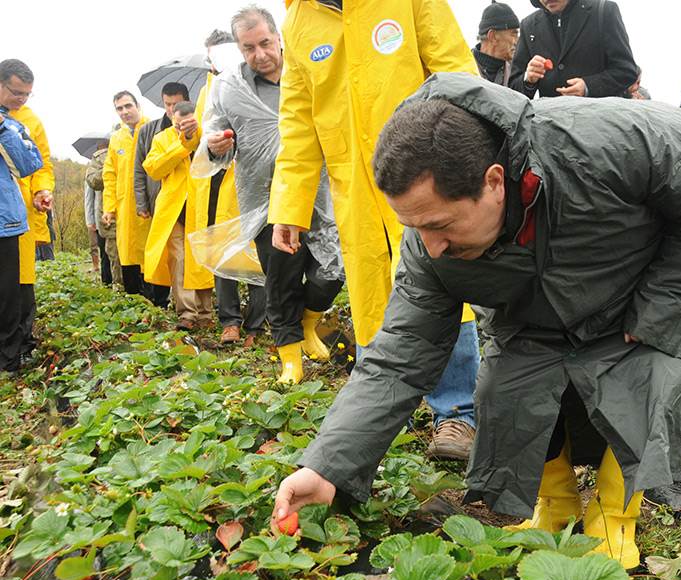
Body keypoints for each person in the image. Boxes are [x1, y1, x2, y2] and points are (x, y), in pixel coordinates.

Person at [271, 74, 681, 569]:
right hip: (527, 316)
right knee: (510, 390)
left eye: (439, 225)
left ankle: (614, 517)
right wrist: (326, 466)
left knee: (643, 378)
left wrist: (661, 306)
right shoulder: (429, 244)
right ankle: (556, 505)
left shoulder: (611, 142)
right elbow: (398, 357)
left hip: (629, 296)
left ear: (494, 182)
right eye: (414, 227)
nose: (430, 246)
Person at [269, 0, 482, 459]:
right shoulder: (299, 21)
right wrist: (289, 204)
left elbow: (456, 71)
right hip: (356, 191)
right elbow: (298, 122)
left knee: (445, 286)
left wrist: (471, 158)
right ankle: (382, 414)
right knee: (371, 300)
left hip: (428, 176)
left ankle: (458, 414)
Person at [195, 6, 344, 383]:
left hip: (324, 194)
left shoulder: (307, 69)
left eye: (264, 43)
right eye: (249, 48)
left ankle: (310, 324)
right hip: (266, 202)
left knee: (332, 272)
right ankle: (290, 356)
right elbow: (214, 141)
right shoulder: (229, 88)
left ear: (278, 37)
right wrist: (215, 145)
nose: (259, 54)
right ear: (240, 49)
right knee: (282, 280)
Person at [195, 28, 265, 346]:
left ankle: (256, 326)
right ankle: (230, 322)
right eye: (212, 54)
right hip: (218, 185)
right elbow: (203, 140)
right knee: (224, 253)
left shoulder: (257, 83)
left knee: (259, 254)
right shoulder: (205, 92)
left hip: (258, 181)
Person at [142, 102, 214, 330]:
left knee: (201, 257)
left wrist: (196, 135)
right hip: (173, 207)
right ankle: (187, 313)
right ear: (172, 117)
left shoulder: (206, 131)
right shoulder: (162, 139)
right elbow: (153, 168)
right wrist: (182, 145)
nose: (184, 126)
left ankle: (206, 312)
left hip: (201, 204)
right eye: (179, 123)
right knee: (179, 258)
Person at [0, 60, 54, 363]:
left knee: (19, 283)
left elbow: (41, 164)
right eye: (16, 92)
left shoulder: (29, 121)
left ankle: (21, 343)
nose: (21, 100)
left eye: (26, 95)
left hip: (17, 209)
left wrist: (41, 190)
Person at [509, 0, 638, 100]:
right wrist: (528, 79)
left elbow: (626, 71)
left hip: (599, 126)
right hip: (551, 128)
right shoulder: (528, 25)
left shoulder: (604, 11)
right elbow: (513, 90)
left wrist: (588, 87)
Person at [135, 83, 190, 309]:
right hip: (164, 199)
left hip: (193, 199)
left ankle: (201, 307)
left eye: (175, 104)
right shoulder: (151, 131)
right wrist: (142, 201)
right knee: (172, 255)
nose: (171, 109)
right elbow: (141, 168)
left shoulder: (200, 126)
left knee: (192, 254)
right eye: (167, 104)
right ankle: (170, 303)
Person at [0, 107, 43, 373]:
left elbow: (29, 165)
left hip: (5, 220)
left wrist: (2, 127)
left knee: (7, 295)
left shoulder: (13, 125)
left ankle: (9, 361)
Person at [103, 92, 150, 297]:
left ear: (137, 106)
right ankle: (134, 300)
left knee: (151, 253)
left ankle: (157, 301)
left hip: (149, 204)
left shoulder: (153, 129)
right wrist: (109, 207)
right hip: (124, 207)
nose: (124, 112)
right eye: (119, 108)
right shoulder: (116, 138)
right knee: (128, 252)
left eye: (128, 106)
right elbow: (109, 175)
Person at [85, 140, 122, 287]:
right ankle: (117, 287)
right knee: (112, 254)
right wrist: (110, 168)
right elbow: (92, 184)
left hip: (137, 212)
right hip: (108, 213)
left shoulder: (139, 145)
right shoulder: (100, 158)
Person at [473, 2, 519, 86]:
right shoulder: (463, 68)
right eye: (513, 34)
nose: (517, 41)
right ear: (493, 36)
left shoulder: (515, 73)